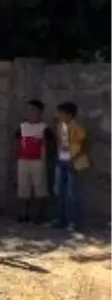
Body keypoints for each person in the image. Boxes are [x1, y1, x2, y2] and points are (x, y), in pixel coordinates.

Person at [14, 99, 52, 223]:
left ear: (40, 112)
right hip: (23, 161)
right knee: (23, 187)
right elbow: (17, 140)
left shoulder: (44, 128)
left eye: (33, 110)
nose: (30, 113)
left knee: (39, 187)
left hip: (38, 161)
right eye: (28, 110)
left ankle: (37, 216)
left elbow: (50, 143)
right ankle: (22, 214)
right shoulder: (22, 127)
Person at [53, 101, 89, 232]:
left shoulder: (77, 128)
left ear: (69, 115)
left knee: (71, 194)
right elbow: (59, 142)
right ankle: (59, 219)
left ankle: (72, 222)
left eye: (61, 113)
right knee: (58, 191)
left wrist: (72, 158)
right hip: (61, 161)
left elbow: (81, 145)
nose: (59, 116)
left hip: (72, 163)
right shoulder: (59, 126)